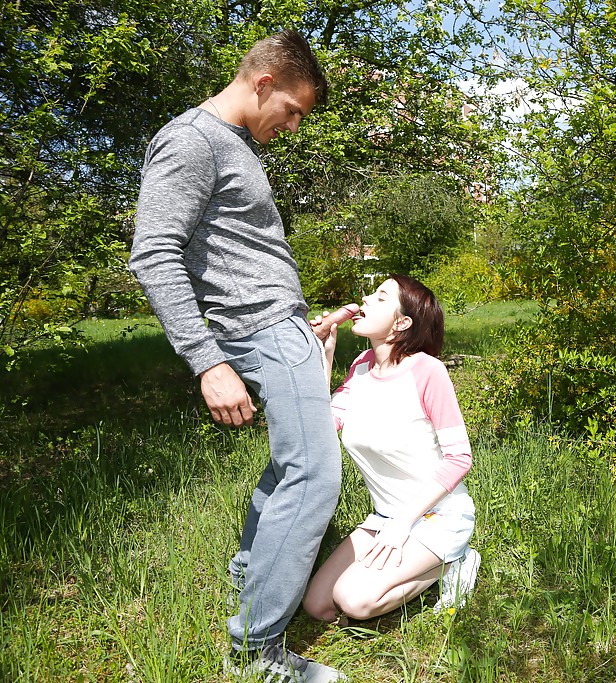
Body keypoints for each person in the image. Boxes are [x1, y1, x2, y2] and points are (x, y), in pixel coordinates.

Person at [129, 30, 346, 683]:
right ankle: (257, 652)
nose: (294, 125)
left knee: (292, 469)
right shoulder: (192, 141)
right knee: (315, 476)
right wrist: (208, 361)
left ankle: (248, 596)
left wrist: (302, 326)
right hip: (258, 331)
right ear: (264, 84)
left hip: (281, 327)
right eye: (294, 110)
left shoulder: (233, 147)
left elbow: (243, 263)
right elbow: (154, 253)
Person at [302, 275, 481, 625]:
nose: (365, 299)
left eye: (380, 297)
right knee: (319, 606)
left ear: (401, 323)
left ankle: (454, 561)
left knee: (354, 600)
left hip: (437, 516)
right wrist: (323, 358)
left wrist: (402, 525)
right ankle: (418, 562)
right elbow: (323, 429)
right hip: (385, 517)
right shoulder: (361, 368)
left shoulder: (428, 371)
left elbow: (460, 458)